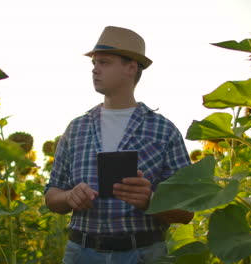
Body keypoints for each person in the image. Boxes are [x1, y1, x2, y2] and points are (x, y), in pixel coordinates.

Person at [44, 26, 192, 264]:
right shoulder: (76, 128)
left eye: (104, 62)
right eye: (94, 63)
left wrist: (149, 201)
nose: (94, 69)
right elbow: (52, 195)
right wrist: (69, 196)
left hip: (144, 254)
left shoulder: (164, 131)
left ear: (131, 67)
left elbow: (187, 210)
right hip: (81, 252)